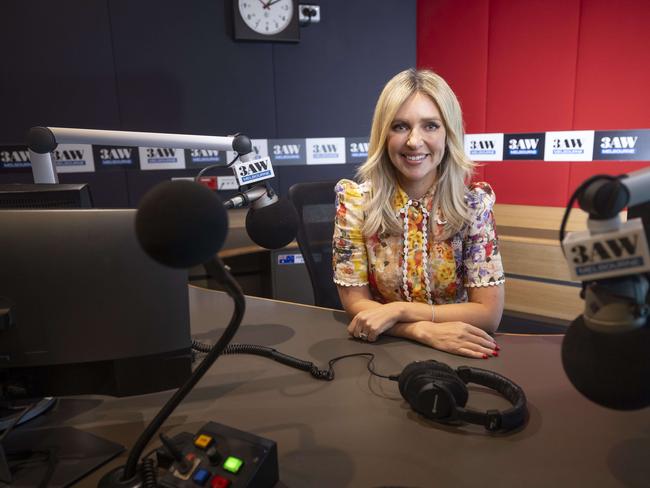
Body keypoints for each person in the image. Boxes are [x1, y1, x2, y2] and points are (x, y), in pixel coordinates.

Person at [332, 68, 505, 359]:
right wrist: (421, 331)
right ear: (383, 134)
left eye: (430, 126)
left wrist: (400, 310)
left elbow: (488, 314)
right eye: (400, 126)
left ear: (449, 133)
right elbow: (356, 304)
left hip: (457, 351)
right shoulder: (355, 202)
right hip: (382, 351)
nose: (414, 141)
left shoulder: (474, 205)